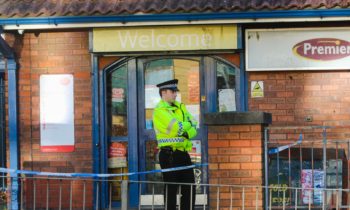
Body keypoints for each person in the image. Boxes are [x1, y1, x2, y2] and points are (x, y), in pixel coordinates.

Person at [153, 79, 197, 210]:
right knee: (171, 189)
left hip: (183, 153)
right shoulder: (160, 111)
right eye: (172, 91)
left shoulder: (180, 107)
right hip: (168, 155)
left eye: (175, 91)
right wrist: (186, 127)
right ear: (164, 92)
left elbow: (194, 124)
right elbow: (178, 128)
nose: (175, 94)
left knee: (189, 187)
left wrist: (187, 132)